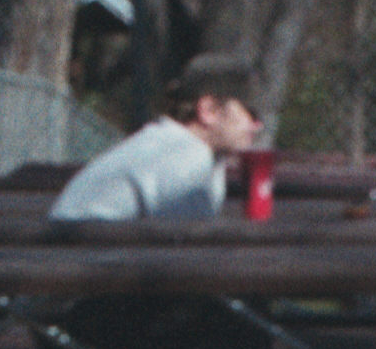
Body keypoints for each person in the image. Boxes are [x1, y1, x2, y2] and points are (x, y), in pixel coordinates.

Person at [49, 57, 264, 224]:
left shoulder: (165, 143)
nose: (257, 125)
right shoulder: (189, 160)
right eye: (251, 114)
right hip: (81, 273)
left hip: (58, 267)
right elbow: (185, 259)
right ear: (209, 111)